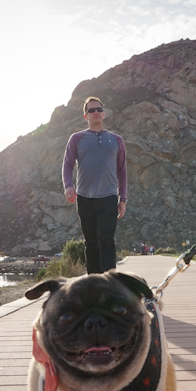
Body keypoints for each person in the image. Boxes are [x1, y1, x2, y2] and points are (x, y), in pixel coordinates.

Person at [62, 96, 128, 274]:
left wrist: (123, 199)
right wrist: (68, 186)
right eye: (91, 110)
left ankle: (110, 284)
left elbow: (122, 170)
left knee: (107, 240)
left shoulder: (116, 140)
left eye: (98, 109)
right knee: (91, 243)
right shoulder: (76, 139)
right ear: (86, 116)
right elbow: (67, 165)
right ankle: (93, 283)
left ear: (104, 113)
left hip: (108, 197)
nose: (95, 112)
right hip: (84, 198)